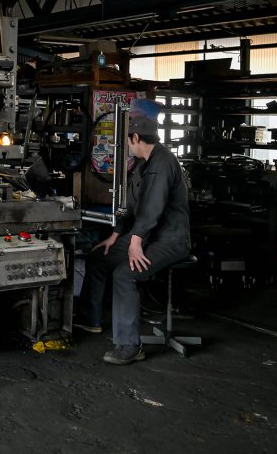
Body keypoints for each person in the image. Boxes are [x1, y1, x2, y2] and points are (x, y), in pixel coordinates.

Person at [74, 100, 191, 365]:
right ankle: (90, 318)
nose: (125, 144)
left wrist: (135, 242)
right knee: (99, 258)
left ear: (136, 137)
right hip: (146, 235)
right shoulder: (142, 163)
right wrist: (117, 235)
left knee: (124, 275)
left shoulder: (163, 162)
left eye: (127, 139)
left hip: (170, 240)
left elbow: (151, 207)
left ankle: (129, 345)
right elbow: (130, 206)